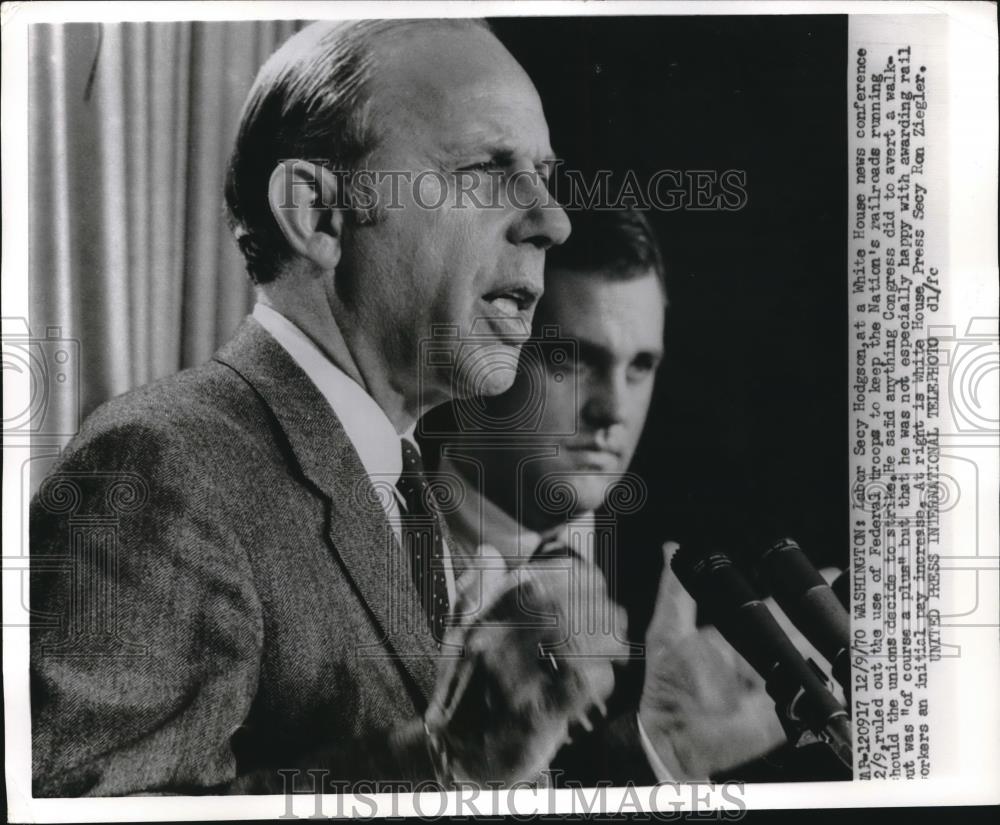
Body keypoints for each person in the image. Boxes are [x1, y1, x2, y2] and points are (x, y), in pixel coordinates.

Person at [28, 19, 624, 796]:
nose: (553, 220)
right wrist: (450, 764)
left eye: (546, 175)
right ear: (316, 214)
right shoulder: (162, 468)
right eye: (487, 168)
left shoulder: (399, 489)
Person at [421, 208, 789, 782]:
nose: (614, 410)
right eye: (573, 359)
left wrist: (664, 758)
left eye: (640, 366)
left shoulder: (708, 613)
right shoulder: (359, 537)